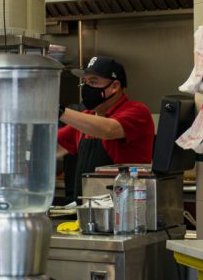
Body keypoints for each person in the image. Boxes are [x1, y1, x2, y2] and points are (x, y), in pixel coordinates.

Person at [57, 55, 154, 202]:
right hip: (88, 211)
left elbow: (108, 129)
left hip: (127, 210)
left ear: (115, 86)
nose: (87, 88)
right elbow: (54, 146)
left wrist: (58, 111)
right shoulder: (86, 116)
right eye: (85, 82)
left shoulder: (137, 111)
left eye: (93, 82)